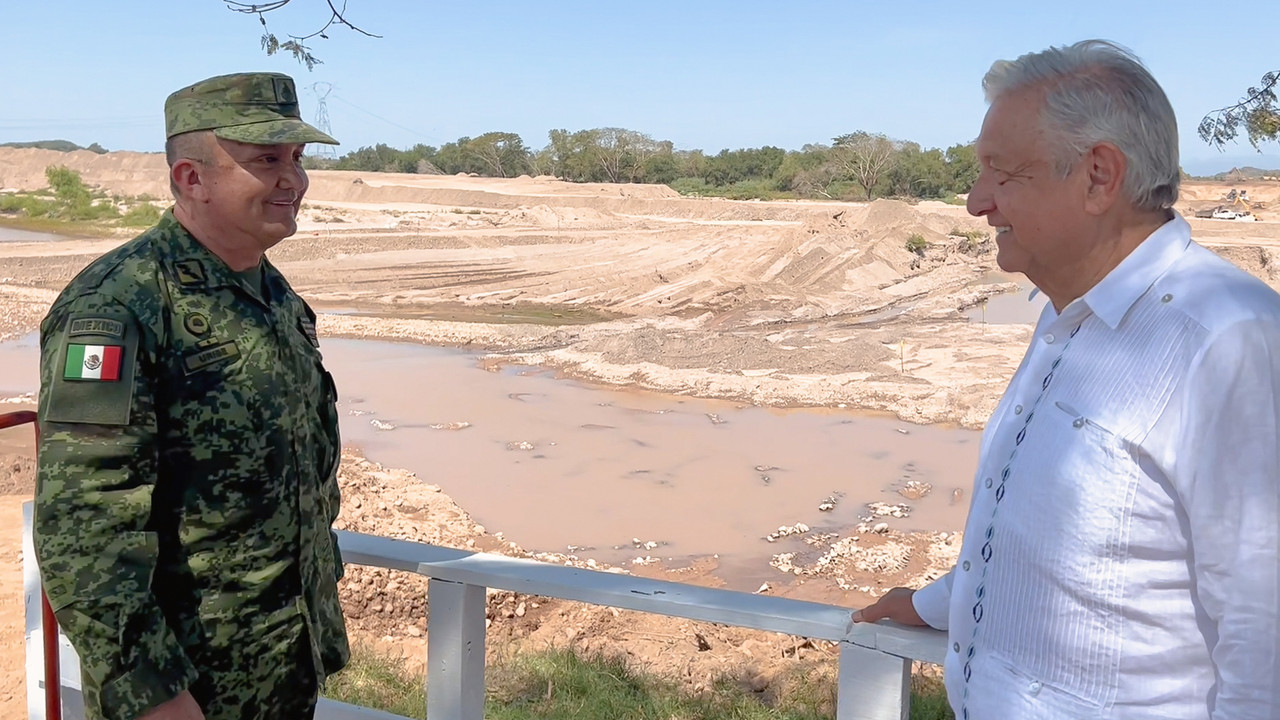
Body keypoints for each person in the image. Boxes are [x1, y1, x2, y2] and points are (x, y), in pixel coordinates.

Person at [853, 40, 1280, 719]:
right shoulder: (1070, 313)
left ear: (1098, 177)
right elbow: (1046, 533)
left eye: (1002, 173)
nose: (975, 202)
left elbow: (1266, 642)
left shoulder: (1229, 341)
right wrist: (933, 603)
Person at [33, 72, 349, 720]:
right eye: (267, 160)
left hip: (283, 675)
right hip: (186, 694)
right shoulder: (117, 307)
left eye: (297, 158)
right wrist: (154, 694)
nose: (294, 180)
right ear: (190, 178)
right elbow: (82, 527)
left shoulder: (277, 299)